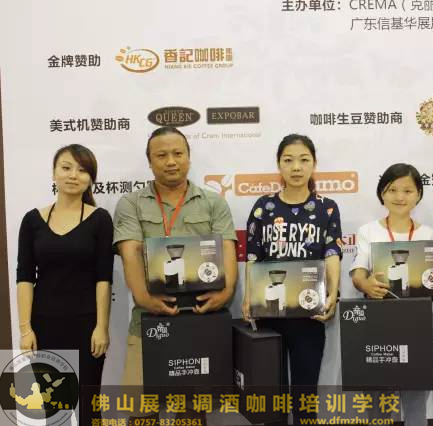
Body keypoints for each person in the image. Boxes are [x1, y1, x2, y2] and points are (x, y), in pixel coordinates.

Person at [113, 126, 238, 424]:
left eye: (178, 153)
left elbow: (228, 250)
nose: (171, 161)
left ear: (188, 157)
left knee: (192, 413)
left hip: (200, 321)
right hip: (148, 321)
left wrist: (226, 292)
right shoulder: (131, 203)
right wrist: (144, 298)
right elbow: (131, 254)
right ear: (150, 162)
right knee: (141, 413)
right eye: (162, 155)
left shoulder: (213, 203)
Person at [242, 134, 341, 425]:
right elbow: (252, 256)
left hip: (309, 315)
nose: (296, 167)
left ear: (314, 164)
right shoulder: (263, 207)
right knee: (272, 396)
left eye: (303, 160)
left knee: (305, 396)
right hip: (269, 312)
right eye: (288, 160)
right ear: (279, 165)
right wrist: (248, 296)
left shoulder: (327, 207)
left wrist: (332, 294)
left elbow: (332, 253)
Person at [16, 144, 114, 426]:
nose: (73, 175)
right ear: (54, 173)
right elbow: (25, 277)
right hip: (44, 326)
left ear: (91, 178)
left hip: (86, 326)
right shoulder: (32, 220)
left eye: (82, 170)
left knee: (88, 410)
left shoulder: (100, 219)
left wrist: (102, 327)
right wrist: (25, 329)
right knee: (51, 409)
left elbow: (103, 278)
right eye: (66, 167)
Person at [350, 163, 433, 426]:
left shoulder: (430, 235)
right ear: (382, 194)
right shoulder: (368, 231)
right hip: (378, 327)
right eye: (392, 190)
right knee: (378, 404)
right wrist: (366, 284)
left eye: (408, 190)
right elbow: (358, 273)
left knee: (415, 403)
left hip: (418, 327)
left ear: (418, 194)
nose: (400, 197)